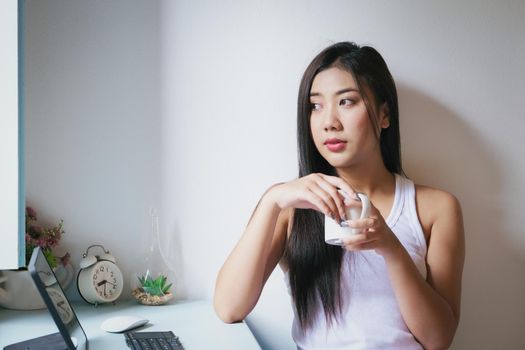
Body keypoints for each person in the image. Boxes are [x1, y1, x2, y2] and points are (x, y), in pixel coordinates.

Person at [213, 42, 465, 350]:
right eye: (315, 106)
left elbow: (439, 340)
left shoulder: (435, 208)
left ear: (384, 115)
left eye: (346, 102)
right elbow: (229, 308)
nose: (329, 122)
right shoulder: (291, 207)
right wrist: (272, 200)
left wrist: (391, 248)